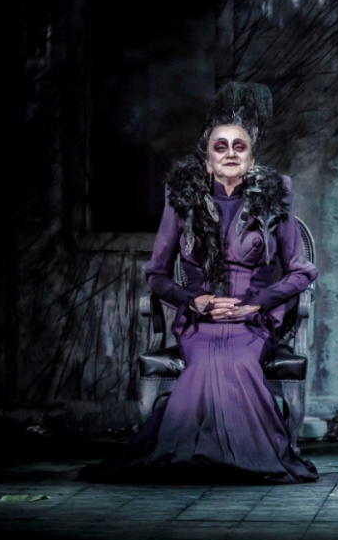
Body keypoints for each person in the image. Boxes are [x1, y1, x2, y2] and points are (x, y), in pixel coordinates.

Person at [82, 82, 319, 483]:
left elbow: (301, 271)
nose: (230, 153)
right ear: (208, 161)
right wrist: (195, 302)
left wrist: (257, 303)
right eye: (220, 147)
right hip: (199, 321)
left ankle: (241, 454)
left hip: (252, 322)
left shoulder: (275, 196)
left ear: (252, 159)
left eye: (239, 147)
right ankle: (198, 453)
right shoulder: (183, 198)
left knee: (238, 361)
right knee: (208, 359)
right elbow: (157, 275)